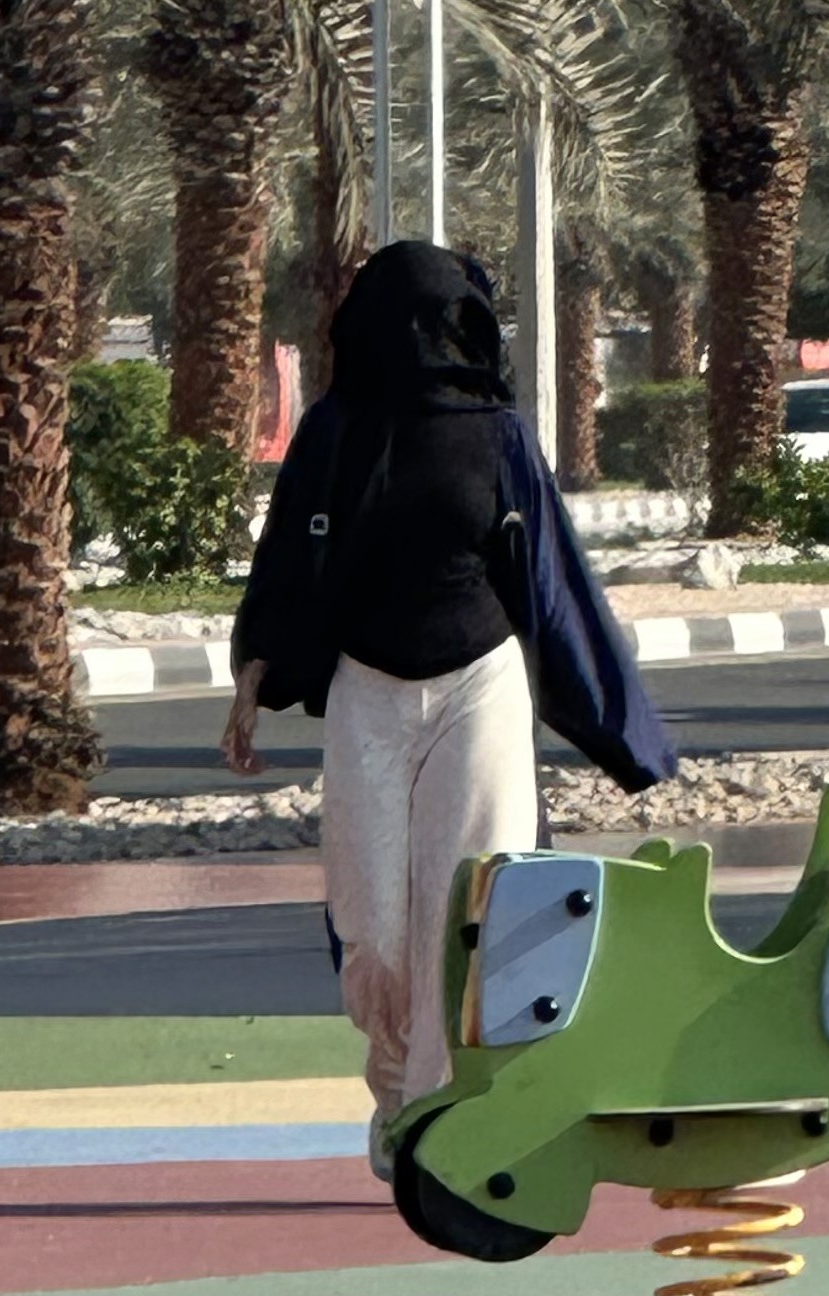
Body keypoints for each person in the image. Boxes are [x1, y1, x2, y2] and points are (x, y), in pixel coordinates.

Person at [222, 240, 676, 1183]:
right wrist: (253, 678)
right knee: (374, 923)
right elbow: (287, 562)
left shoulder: (500, 437)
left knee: (471, 909)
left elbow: (554, 587)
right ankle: (395, 1092)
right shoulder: (334, 431)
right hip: (367, 692)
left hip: (481, 686)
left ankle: (442, 1115)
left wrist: (623, 739)